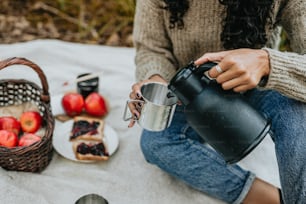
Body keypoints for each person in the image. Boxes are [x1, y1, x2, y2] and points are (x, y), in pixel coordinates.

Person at [128, 0, 306, 203]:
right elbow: (152, 49)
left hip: (255, 83)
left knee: (298, 113)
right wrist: (156, 80)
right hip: (188, 93)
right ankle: (268, 197)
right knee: (156, 142)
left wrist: (268, 64)